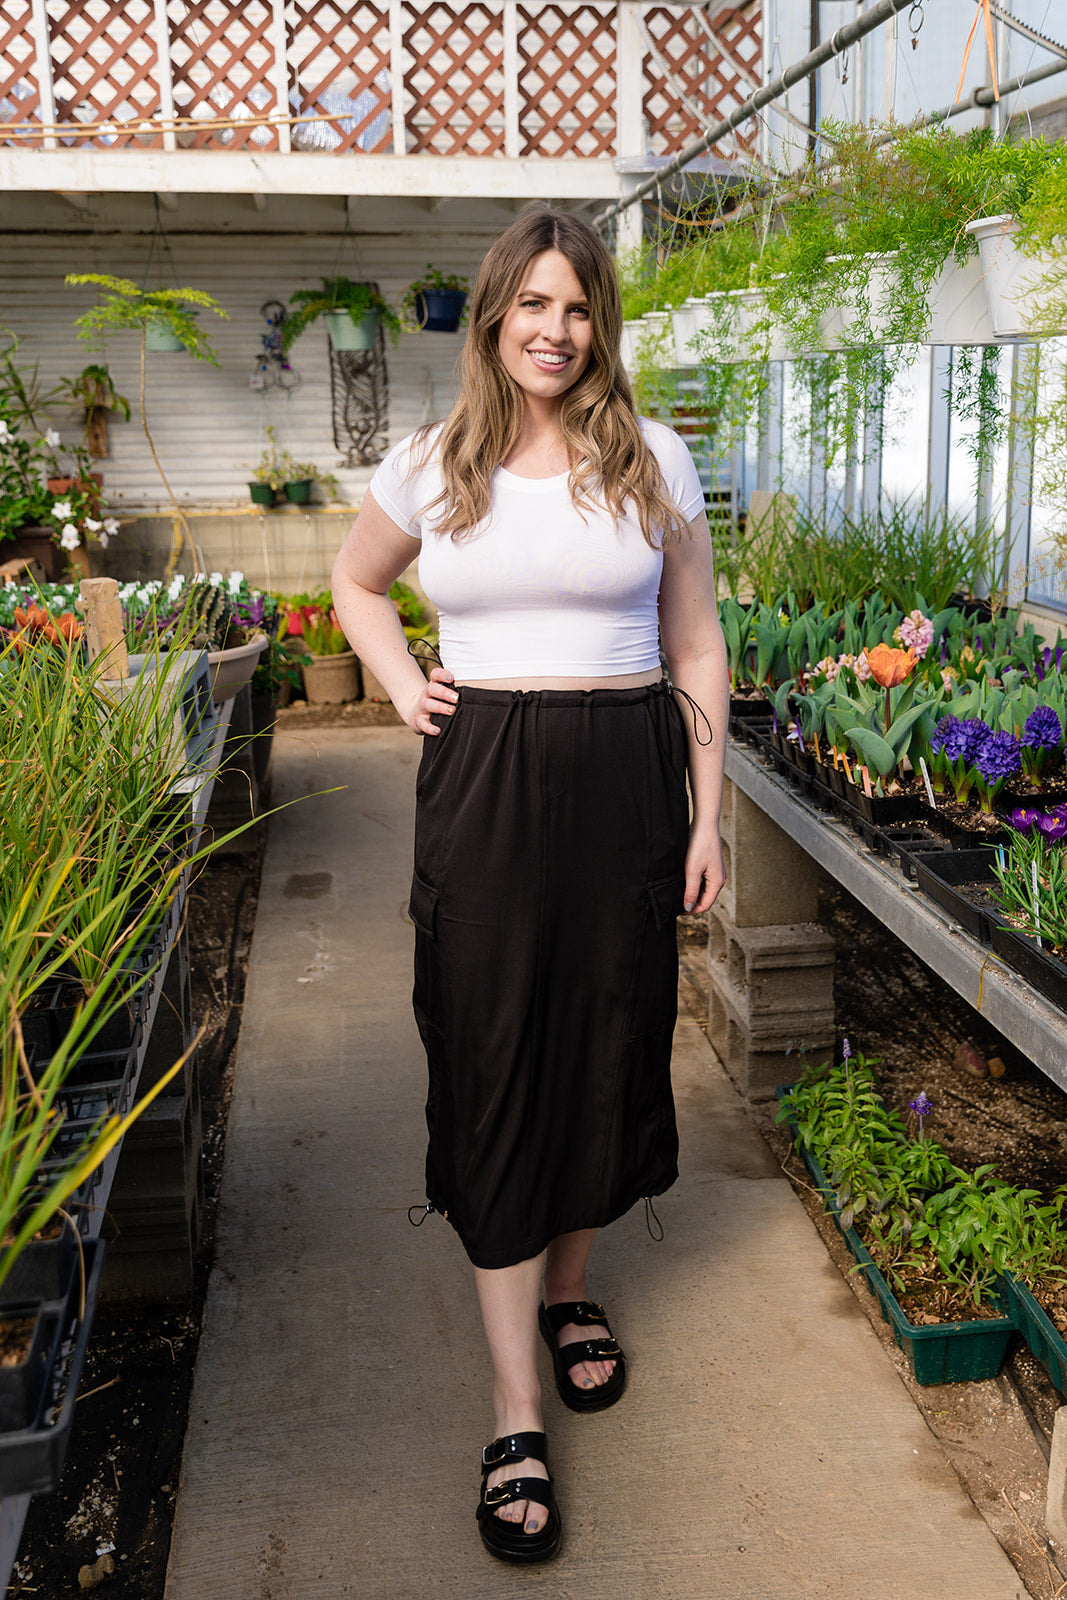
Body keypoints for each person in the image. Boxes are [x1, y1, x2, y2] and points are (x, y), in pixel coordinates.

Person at [331, 206, 728, 1564]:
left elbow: (697, 641)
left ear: (596, 322)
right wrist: (400, 687)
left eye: (578, 308)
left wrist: (709, 814)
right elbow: (355, 581)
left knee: (606, 1047)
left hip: (628, 776)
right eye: (532, 307)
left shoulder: (651, 457)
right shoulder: (434, 462)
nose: (555, 332)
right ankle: (515, 1411)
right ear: (496, 316)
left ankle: (571, 1294)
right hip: (488, 775)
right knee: (499, 1058)